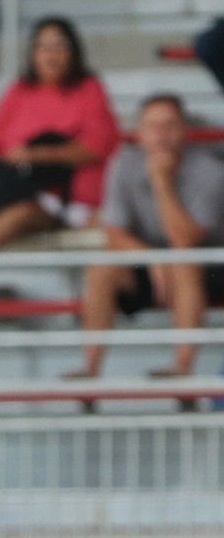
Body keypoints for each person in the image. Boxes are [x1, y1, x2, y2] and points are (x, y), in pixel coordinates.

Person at [0, 17, 119, 294]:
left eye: (59, 45)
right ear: (32, 53)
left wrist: (36, 155)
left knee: (23, 208)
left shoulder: (88, 89)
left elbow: (94, 148)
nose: (50, 53)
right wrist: (8, 166)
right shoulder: (18, 92)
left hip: (65, 197)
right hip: (18, 185)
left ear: (73, 51)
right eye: (42, 46)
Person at [69, 93, 224, 380]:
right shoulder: (123, 163)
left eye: (170, 125)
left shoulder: (211, 171)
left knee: (182, 260)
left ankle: (182, 368)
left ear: (185, 131)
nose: (161, 135)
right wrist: (152, 260)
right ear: (139, 132)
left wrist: (161, 182)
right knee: (103, 267)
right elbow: (113, 232)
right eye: (153, 126)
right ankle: (89, 372)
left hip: (210, 269)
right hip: (155, 265)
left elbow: (185, 238)